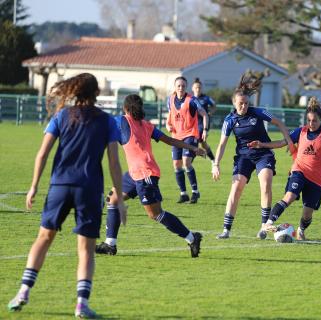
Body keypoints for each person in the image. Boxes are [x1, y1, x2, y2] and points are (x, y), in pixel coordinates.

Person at [7, 73, 126, 318]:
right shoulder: (108, 121)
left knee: (43, 238)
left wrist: (34, 186)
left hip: (60, 186)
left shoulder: (62, 116)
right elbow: (114, 162)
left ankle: (23, 291)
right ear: (96, 93)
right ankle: (81, 304)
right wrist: (120, 199)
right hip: (89, 188)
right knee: (85, 249)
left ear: (75, 91)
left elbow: (42, 154)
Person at [96, 94, 204, 257]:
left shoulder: (122, 121)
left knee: (155, 214)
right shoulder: (146, 125)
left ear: (125, 108)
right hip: (135, 173)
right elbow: (170, 140)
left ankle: (192, 237)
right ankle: (110, 244)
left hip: (145, 173)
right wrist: (193, 148)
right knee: (113, 200)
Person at [248, 97, 321, 240]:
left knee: (307, 213)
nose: (311, 124)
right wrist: (261, 144)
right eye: (309, 120)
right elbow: (282, 142)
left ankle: (301, 229)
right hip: (299, 171)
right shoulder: (301, 132)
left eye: (314, 121)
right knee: (289, 197)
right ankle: (268, 223)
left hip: (317, 179)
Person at [212, 73, 295, 240]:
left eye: (246, 103)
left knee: (265, 184)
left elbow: (279, 122)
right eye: (240, 104)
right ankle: (226, 229)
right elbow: (222, 144)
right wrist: (216, 164)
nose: (244, 106)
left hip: (263, 154)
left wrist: (289, 142)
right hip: (243, 157)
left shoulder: (258, 112)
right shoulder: (230, 120)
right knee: (236, 188)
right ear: (234, 103)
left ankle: (264, 226)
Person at [166, 76, 208, 204]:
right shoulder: (170, 99)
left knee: (186, 162)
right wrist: (168, 125)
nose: (180, 88)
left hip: (190, 135)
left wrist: (205, 129)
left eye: (183, 86)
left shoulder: (192, 100)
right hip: (176, 137)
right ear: (175, 87)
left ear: (186, 87)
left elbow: (204, 114)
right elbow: (170, 115)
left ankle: (195, 192)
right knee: (176, 165)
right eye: (178, 85)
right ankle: (183, 193)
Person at [192, 77, 217, 164]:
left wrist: (210, 113)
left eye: (199, 87)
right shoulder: (190, 98)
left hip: (203, 123)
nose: (198, 89)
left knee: (195, 140)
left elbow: (214, 105)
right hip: (192, 124)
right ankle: (213, 159)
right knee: (203, 143)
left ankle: (188, 161)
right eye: (196, 87)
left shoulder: (206, 98)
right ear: (193, 88)